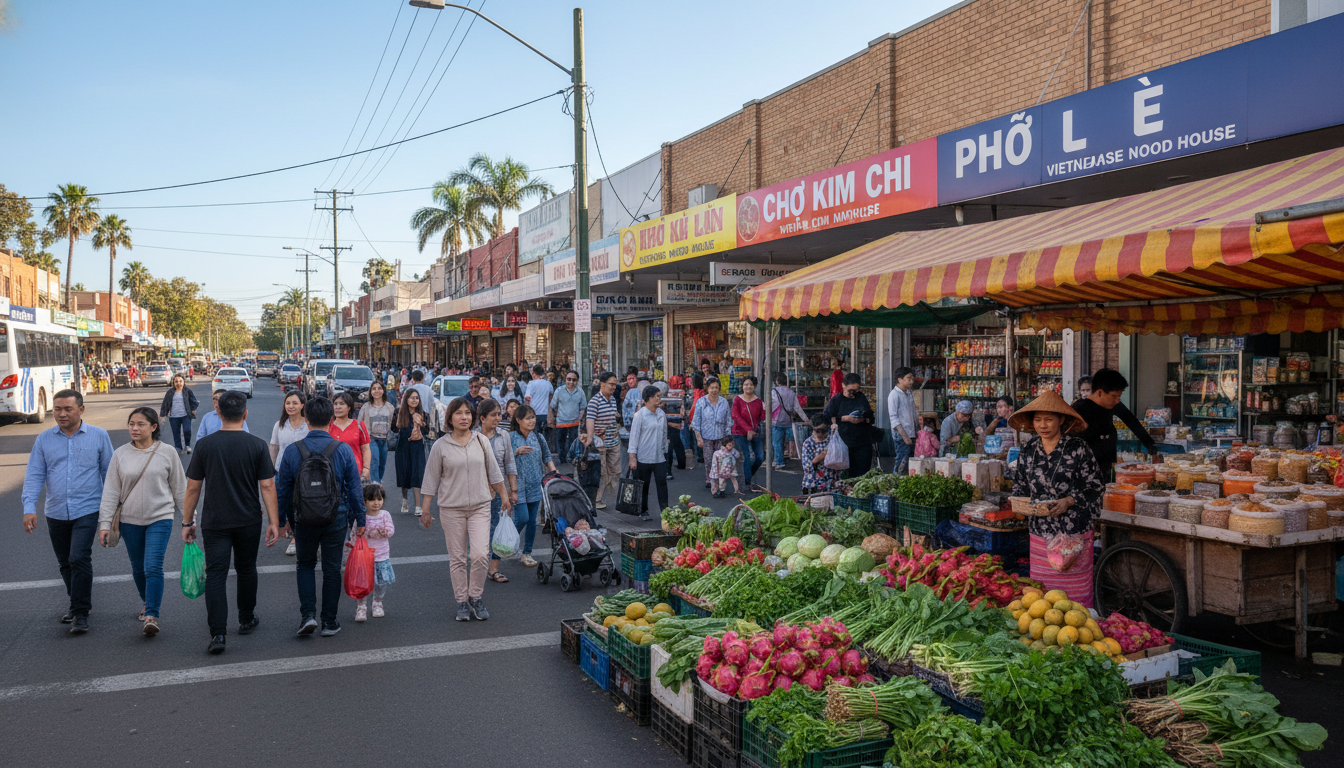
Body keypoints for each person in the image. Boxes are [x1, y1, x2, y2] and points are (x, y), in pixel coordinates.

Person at [183, 391, 280, 655]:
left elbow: (193, 488)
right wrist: (274, 521)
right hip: (248, 518)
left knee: (216, 574)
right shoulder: (257, 445)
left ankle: (218, 634)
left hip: (214, 520)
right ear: (245, 414)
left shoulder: (204, 446)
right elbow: (268, 486)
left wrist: (186, 521)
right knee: (247, 568)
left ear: (219, 414)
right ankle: (246, 619)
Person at [22, 389, 114, 635]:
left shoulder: (99, 436)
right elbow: (34, 474)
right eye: (57, 409)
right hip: (56, 511)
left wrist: (113, 511)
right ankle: (77, 602)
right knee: (65, 563)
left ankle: (81, 612)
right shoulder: (44, 439)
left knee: (78, 558)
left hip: (88, 508)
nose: (61, 414)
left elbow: (110, 475)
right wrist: (29, 507)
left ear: (81, 410)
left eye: (67, 409)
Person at [275, 395, 367, 637]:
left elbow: (282, 488)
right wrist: (361, 519)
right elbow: (355, 488)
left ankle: (307, 616)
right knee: (331, 568)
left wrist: (281, 521)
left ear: (306, 419)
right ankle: (329, 621)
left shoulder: (294, 451)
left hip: (303, 518)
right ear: (330, 419)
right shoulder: (343, 450)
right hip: (336, 516)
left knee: (304, 564)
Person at [1008, 390, 1104, 607]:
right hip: (1040, 533)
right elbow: (1020, 484)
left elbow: (1096, 484)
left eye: (1049, 419)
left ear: (1061, 420)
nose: (1043, 424)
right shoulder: (1029, 449)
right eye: (1038, 419)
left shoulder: (1078, 449)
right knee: (1043, 598)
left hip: (1073, 532)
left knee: (1074, 600)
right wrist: (1019, 503)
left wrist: (1069, 501)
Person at [98, 407, 187, 637]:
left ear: (154, 427)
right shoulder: (120, 454)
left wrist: (189, 519)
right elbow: (110, 492)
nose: (134, 428)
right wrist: (105, 524)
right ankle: (147, 601)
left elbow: (180, 489)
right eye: (131, 424)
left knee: (152, 567)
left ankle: (152, 615)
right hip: (129, 521)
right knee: (138, 569)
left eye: (140, 424)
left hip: (161, 518)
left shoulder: (167, 453)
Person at [420, 397, 510, 622]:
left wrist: (505, 495)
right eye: (459, 413)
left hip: (481, 506)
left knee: (480, 554)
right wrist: (426, 507)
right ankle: (462, 601)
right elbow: (430, 478)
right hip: (451, 509)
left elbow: (494, 472)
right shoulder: (441, 445)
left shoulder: (481, 441)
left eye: (468, 413)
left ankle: (475, 597)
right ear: (450, 417)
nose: (464, 417)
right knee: (458, 557)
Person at [1071, 368, 1156, 481]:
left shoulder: (1113, 404)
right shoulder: (1078, 409)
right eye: (1114, 396)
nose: (1117, 400)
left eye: (1119, 397)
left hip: (1108, 466)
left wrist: (1149, 443)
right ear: (1099, 392)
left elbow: (1131, 420)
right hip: (1084, 470)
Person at [476, 399, 518, 584]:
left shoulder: (504, 436)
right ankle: (478, 566)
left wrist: (512, 490)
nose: (498, 418)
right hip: (475, 492)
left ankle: (493, 569)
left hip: (499, 490)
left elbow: (509, 463)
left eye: (499, 414)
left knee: (496, 529)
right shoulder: (472, 436)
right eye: (493, 415)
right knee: (477, 531)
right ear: (482, 418)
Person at [509, 404, 555, 567]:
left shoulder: (538, 437)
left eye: (533, 417)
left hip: (536, 484)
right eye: (528, 418)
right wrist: (516, 451)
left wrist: (554, 472)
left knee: (531, 521)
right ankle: (508, 541)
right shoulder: (511, 437)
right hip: (517, 485)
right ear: (518, 420)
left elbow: (547, 456)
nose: (532, 421)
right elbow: (503, 459)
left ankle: (527, 553)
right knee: (522, 517)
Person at [581, 372, 622, 510]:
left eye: (615, 384)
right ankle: (596, 500)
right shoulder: (594, 401)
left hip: (614, 441)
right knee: (602, 472)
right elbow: (590, 420)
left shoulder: (613, 400)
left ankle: (613, 497)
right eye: (611, 384)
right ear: (602, 384)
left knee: (616, 471)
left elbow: (613, 417)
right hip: (600, 444)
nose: (614, 387)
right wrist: (590, 438)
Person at [822, 373, 875, 476]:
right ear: (843, 386)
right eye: (850, 390)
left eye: (856, 390)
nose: (853, 393)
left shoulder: (861, 397)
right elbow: (826, 417)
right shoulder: (837, 399)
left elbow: (870, 415)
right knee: (847, 473)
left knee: (863, 472)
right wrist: (845, 418)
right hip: (844, 442)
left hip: (863, 441)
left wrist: (865, 419)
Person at [355, 483, 394, 622]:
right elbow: (355, 533)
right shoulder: (361, 516)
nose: (376, 503)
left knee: (381, 582)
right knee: (362, 583)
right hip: (364, 557)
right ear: (364, 501)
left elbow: (391, 530)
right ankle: (361, 606)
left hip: (381, 556)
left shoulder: (385, 515)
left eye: (379, 499)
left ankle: (378, 602)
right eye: (372, 499)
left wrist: (384, 532)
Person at [627, 385, 667, 520]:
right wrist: (632, 457)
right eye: (656, 396)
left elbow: (664, 433)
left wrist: (665, 450)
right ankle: (643, 510)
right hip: (643, 456)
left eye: (659, 396)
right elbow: (634, 437)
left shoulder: (661, 413)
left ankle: (665, 512)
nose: (659, 399)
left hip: (659, 456)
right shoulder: (640, 415)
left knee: (662, 483)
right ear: (648, 398)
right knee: (644, 485)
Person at [393, 388, 430, 515]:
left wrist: (421, 423)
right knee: (404, 473)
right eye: (412, 397)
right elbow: (393, 428)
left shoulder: (423, 414)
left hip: (417, 447)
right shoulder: (399, 412)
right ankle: (405, 500)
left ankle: (418, 506)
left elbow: (427, 432)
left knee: (417, 474)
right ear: (406, 399)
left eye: (417, 398)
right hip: (403, 447)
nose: (414, 400)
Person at [692, 377, 732, 489]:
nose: (714, 390)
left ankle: (719, 480)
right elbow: (696, 421)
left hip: (721, 436)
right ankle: (709, 479)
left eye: (716, 387)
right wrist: (698, 437)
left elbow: (728, 420)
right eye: (711, 388)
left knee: (720, 459)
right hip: (706, 436)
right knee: (709, 459)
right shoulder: (701, 402)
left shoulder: (723, 402)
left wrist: (729, 437)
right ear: (707, 389)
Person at [731, 376, 766, 488]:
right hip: (739, 432)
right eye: (746, 384)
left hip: (755, 432)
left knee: (760, 457)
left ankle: (748, 475)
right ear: (742, 386)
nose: (748, 387)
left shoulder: (759, 401)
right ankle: (747, 482)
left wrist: (767, 408)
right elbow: (736, 415)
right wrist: (748, 429)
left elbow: (762, 417)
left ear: (754, 386)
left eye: (751, 384)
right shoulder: (737, 399)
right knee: (748, 456)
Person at [330, 392, 373, 484]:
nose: (338, 407)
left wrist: (366, 468)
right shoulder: (327, 426)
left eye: (342, 404)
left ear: (349, 408)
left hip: (355, 473)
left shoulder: (359, 426)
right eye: (335, 404)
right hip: (332, 474)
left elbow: (365, 449)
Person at [359, 380, 395, 485]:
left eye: (379, 388)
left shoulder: (390, 407)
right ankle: (375, 485)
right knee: (374, 461)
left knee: (382, 464)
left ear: (383, 391)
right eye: (374, 389)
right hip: (370, 438)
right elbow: (359, 423)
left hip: (385, 439)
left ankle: (378, 481)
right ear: (371, 392)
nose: (376, 391)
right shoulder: (366, 407)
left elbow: (394, 424)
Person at [770, 373, 807, 471]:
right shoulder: (791, 393)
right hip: (788, 421)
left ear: (777, 382)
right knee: (791, 440)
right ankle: (796, 457)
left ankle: (779, 462)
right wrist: (806, 420)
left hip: (776, 421)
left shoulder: (773, 392)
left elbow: (771, 406)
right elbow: (798, 408)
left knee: (777, 443)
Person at [550, 370, 586, 463]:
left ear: (577, 381)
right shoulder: (559, 391)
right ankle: (562, 461)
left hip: (574, 422)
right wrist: (552, 418)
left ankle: (571, 459)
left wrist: (579, 420)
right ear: (565, 380)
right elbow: (553, 406)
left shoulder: (580, 391)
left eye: (574, 380)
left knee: (572, 442)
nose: (571, 382)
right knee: (560, 442)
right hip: (561, 422)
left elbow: (583, 408)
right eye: (569, 379)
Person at [887, 367, 918, 475]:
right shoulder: (894, 395)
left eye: (912, 378)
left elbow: (914, 413)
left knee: (909, 462)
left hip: (911, 432)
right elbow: (893, 418)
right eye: (908, 378)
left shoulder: (908, 393)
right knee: (901, 462)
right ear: (900, 379)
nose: (911, 381)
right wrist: (905, 436)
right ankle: (896, 481)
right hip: (901, 434)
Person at [801, 415, 841, 494]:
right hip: (815, 484)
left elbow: (840, 458)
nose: (820, 434)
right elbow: (807, 466)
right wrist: (820, 457)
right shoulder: (808, 443)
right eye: (817, 431)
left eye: (823, 431)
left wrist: (818, 458)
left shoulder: (833, 439)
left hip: (833, 482)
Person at [160, 375, 199, 453]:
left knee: (187, 430)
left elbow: (193, 401)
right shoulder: (170, 392)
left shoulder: (187, 391)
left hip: (185, 415)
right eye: (176, 381)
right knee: (176, 432)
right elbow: (165, 403)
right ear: (174, 383)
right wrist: (163, 415)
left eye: (180, 381)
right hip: (174, 416)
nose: (178, 383)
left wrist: (193, 409)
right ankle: (178, 447)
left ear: (183, 382)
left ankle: (187, 445)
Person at [524, 364, 554, 437]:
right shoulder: (548, 384)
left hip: (534, 413)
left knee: (535, 436)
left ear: (533, 373)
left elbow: (527, 399)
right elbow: (551, 397)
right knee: (545, 437)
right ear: (543, 373)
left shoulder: (531, 384)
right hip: (545, 413)